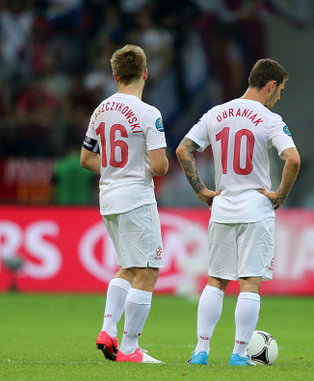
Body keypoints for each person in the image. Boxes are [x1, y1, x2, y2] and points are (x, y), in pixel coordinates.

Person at [176, 58, 300, 366]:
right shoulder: (269, 118)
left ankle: (201, 351)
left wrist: (202, 190)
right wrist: (280, 195)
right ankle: (239, 354)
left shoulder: (216, 113)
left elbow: (182, 149)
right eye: (280, 90)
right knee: (249, 283)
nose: (279, 96)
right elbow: (293, 159)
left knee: (215, 280)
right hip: (255, 210)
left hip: (222, 207)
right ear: (270, 85)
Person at [80, 44, 169, 364]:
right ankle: (130, 349)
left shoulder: (100, 110)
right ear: (145, 72)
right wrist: (134, 168)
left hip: (109, 198)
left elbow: (86, 158)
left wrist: (117, 169)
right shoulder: (149, 113)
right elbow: (160, 167)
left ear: (115, 75)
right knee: (148, 272)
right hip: (136, 198)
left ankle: (107, 330)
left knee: (129, 268)